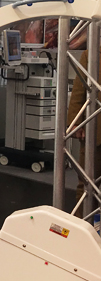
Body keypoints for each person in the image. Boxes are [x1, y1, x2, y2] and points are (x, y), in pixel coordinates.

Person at [67, 49, 101, 215]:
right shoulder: (92, 53)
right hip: (96, 130)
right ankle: (85, 224)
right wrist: (75, 121)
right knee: (87, 184)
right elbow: (79, 89)